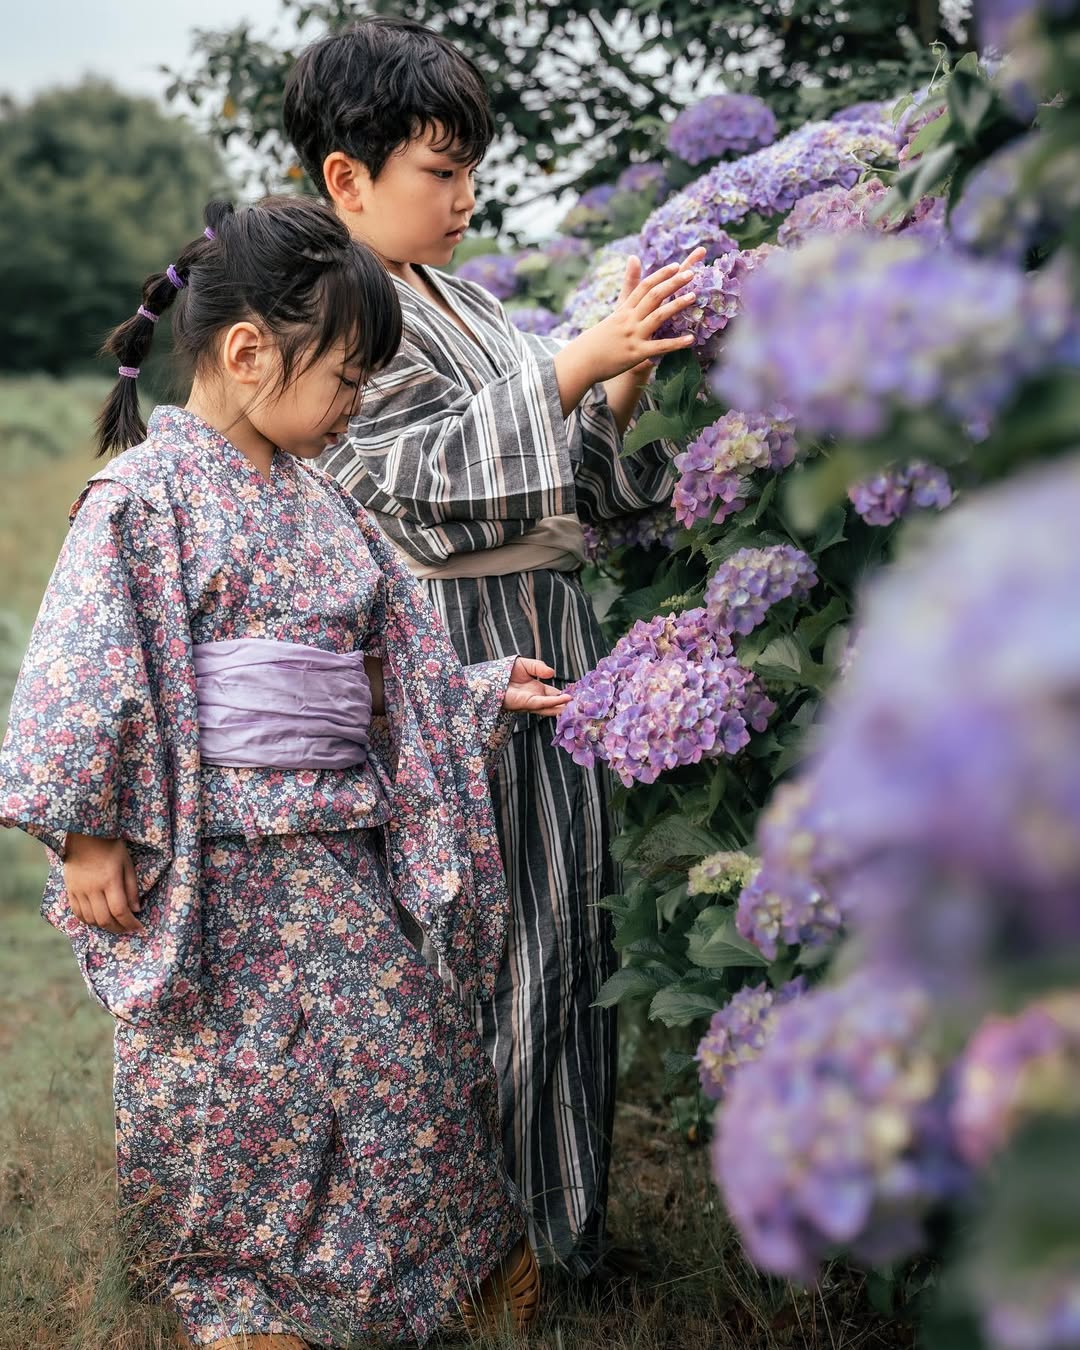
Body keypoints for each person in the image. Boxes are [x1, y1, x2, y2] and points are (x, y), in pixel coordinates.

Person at [0, 195, 567, 1348]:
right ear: (251, 352)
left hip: (336, 847)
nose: (354, 409)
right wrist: (90, 829)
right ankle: (245, 1300)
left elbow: (381, 674)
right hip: (211, 863)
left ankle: (450, 1267)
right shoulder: (141, 499)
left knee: (402, 1053)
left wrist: (470, 691)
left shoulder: (329, 507)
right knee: (237, 1097)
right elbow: (87, 662)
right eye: (347, 382)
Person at [283, 18, 702, 1276]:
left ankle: (557, 1229)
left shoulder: (460, 299)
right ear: (347, 180)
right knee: (477, 936)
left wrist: (616, 375)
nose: (466, 199)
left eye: (471, 171)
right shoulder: (329, 308)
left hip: (547, 628)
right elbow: (411, 480)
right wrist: (574, 361)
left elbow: (575, 482)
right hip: (447, 649)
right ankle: (463, 1242)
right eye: (439, 171)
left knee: (569, 925)